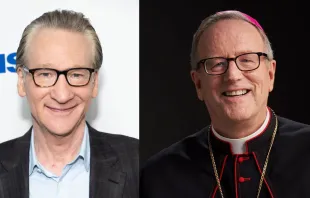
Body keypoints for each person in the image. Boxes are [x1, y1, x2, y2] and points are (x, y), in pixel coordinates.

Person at [140, 10, 310, 198]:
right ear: (198, 84)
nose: (233, 76)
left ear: (270, 74)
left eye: (247, 60)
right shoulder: (159, 176)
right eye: (217, 64)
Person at [0, 9, 138, 198]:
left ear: (94, 83)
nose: (62, 95)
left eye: (76, 74)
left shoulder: (139, 164)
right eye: (46, 74)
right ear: (22, 82)